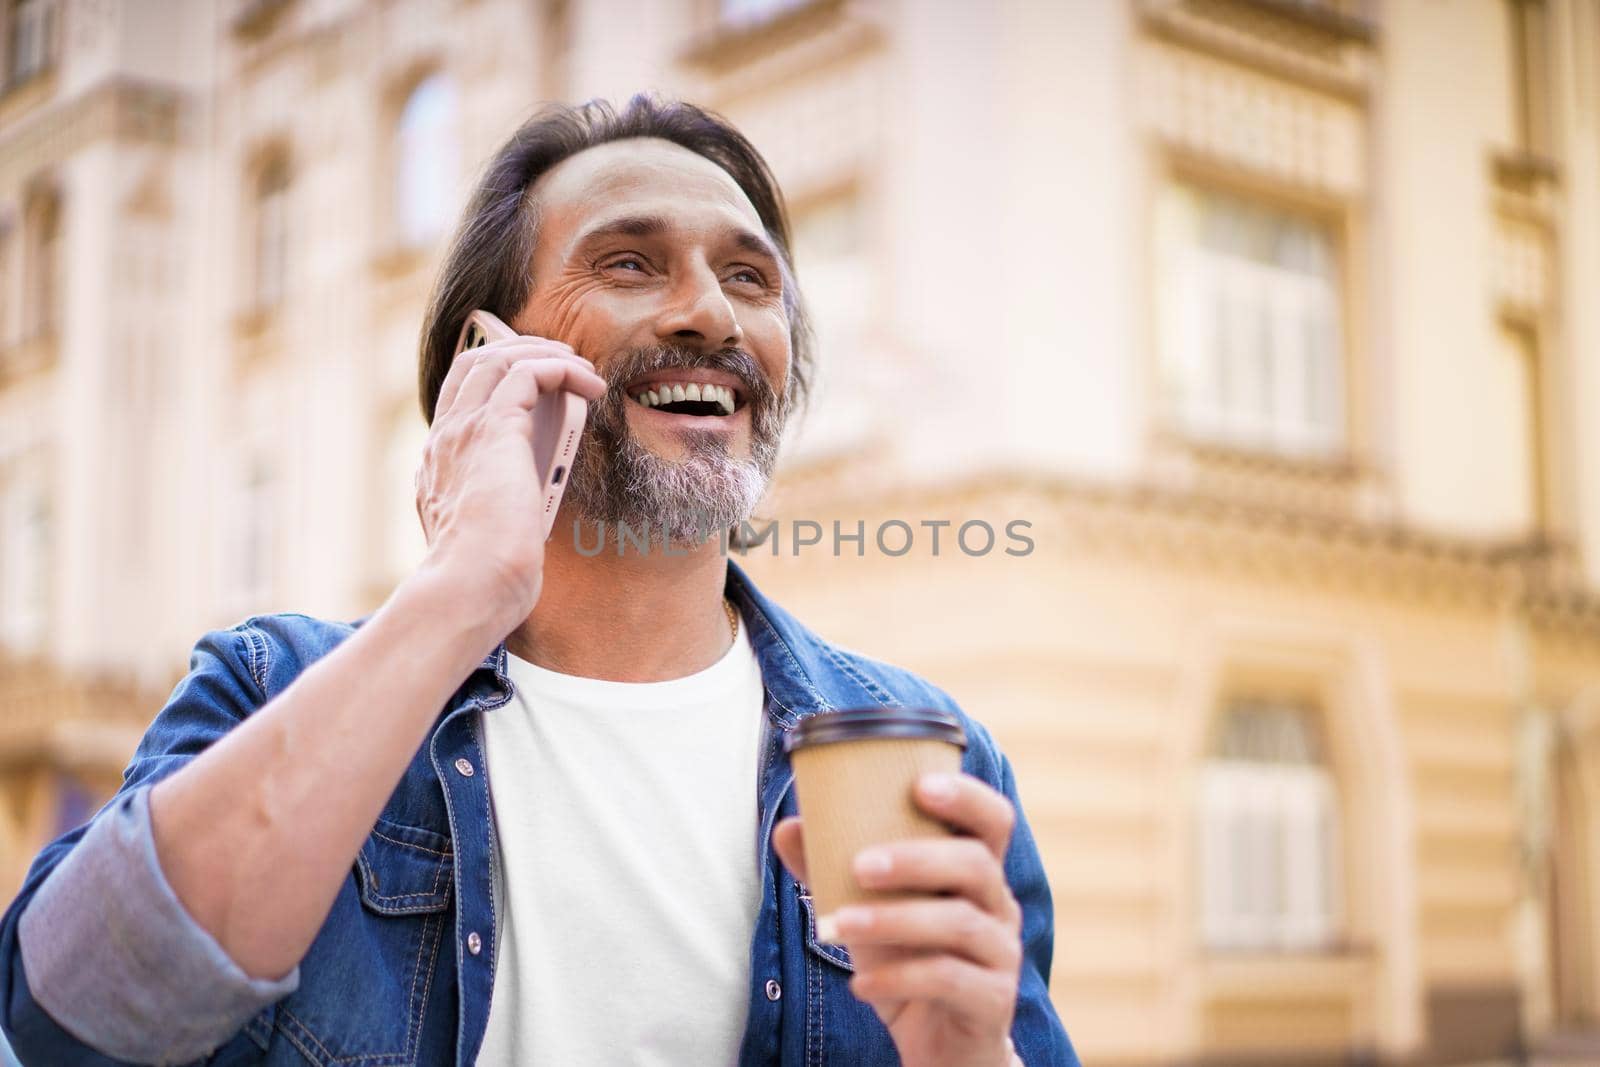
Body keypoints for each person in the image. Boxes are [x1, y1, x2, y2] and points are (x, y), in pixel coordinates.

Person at [0, 95, 1079, 1067]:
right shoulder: (270, 686)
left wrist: (965, 1054)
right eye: (629, 263)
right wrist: (464, 584)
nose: (710, 311)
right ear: (487, 357)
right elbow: (67, 1019)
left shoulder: (927, 752)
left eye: (750, 278)